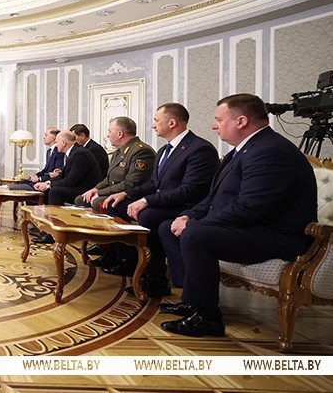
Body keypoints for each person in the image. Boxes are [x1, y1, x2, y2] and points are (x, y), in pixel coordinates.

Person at [157, 94, 316, 337]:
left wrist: (195, 223)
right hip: (253, 226)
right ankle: (193, 301)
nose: (214, 125)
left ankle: (208, 318)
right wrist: (187, 216)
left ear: (241, 121)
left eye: (219, 119)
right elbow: (214, 198)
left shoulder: (270, 151)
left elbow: (249, 208)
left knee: (197, 235)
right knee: (168, 226)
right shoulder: (242, 151)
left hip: (277, 234)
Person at [98, 103, 219, 294]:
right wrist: (126, 194)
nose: (153, 125)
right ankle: (129, 261)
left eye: (156, 120)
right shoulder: (164, 150)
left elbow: (190, 191)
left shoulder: (199, 149)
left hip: (185, 206)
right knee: (113, 205)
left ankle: (155, 278)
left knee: (148, 216)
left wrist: (146, 201)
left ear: (172, 123)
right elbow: (153, 183)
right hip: (163, 202)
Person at [31, 131, 102, 243]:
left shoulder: (80, 154)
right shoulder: (73, 152)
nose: (56, 145)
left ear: (64, 142)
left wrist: (49, 185)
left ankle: (56, 232)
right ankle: (49, 228)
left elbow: (71, 181)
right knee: (50, 190)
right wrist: (46, 183)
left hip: (86, 190)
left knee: (55, 192)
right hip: (78, 186)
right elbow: (63, 176)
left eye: (57, 142)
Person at [76, 116, 155, 212]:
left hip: (129, 195)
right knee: (81, 199)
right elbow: (109, 179)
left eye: (110, 131)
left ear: (120, 134)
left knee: (97, 202)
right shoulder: (119, 151)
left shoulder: (141, 151)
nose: (108, 135)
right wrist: (95, 189)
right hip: (115, 191)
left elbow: (130, 184)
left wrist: (100, 193)